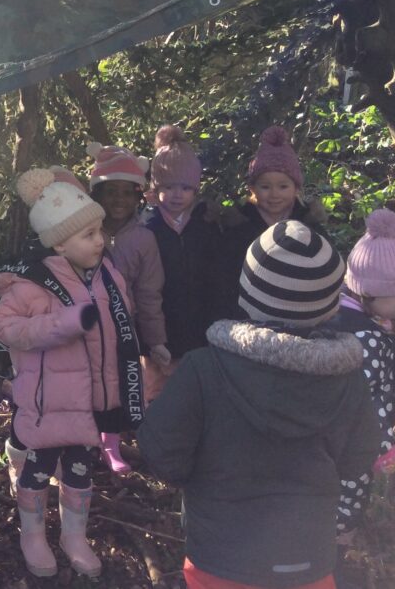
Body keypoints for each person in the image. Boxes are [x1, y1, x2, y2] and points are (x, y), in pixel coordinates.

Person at [138, 220, 379, 589]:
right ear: (330, 305)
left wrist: (200, 480)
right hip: (309, 559)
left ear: (247, 294)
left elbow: (161, 451)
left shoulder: (204, 368)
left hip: (219, 557)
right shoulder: (348, 379)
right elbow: (358, 459)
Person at [0, 167, 145, 578]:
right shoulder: (32, 285)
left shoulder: (107, 273)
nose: (101, 241)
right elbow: (2, 327)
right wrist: (59, 325)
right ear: (59, 244)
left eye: (100, 232)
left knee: (80, 468)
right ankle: (33, 534)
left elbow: (119, 326)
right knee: (38, 471)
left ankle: (74, 536)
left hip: (91, 400)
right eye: (89, 235)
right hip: (48, 403)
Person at [334, 208, 395, 537]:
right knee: (339, 515)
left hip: (337, 450)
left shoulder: (352, 319)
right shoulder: (368, 337)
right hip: (349, 453)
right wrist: (384, 449)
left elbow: (365, 372)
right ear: (373, 290)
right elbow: (362, 405)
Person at [88, 141, 170, 472]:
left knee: (116, 384)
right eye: (110, 192)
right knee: (81, 382)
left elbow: (150, 293)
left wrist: (156, 341)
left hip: (122, 327)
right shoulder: (82, 228)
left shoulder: (144, 239)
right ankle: (78, 440)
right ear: (97, 194)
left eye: (127, 192)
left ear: (139, 196)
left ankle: (110, 442)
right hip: (80, 324)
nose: (118, 200)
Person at [140, 125, 223, 400]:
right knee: (157, 393)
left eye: (186, 188)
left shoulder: (205, 225)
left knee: (195, 392)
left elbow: (215, 278)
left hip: (198, 328)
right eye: (169, 187)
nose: (177, 195)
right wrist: (152, 339)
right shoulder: (147, 227)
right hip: (158, 330)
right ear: (156, 187)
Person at [220, 125, 328, 319]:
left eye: (283, 186)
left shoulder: (311, 227)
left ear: (296, 188)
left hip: (298, 318)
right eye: (265, 186)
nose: (274, 194)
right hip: (245, 318)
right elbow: (225, 280)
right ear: (252, 188)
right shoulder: (238, 228)